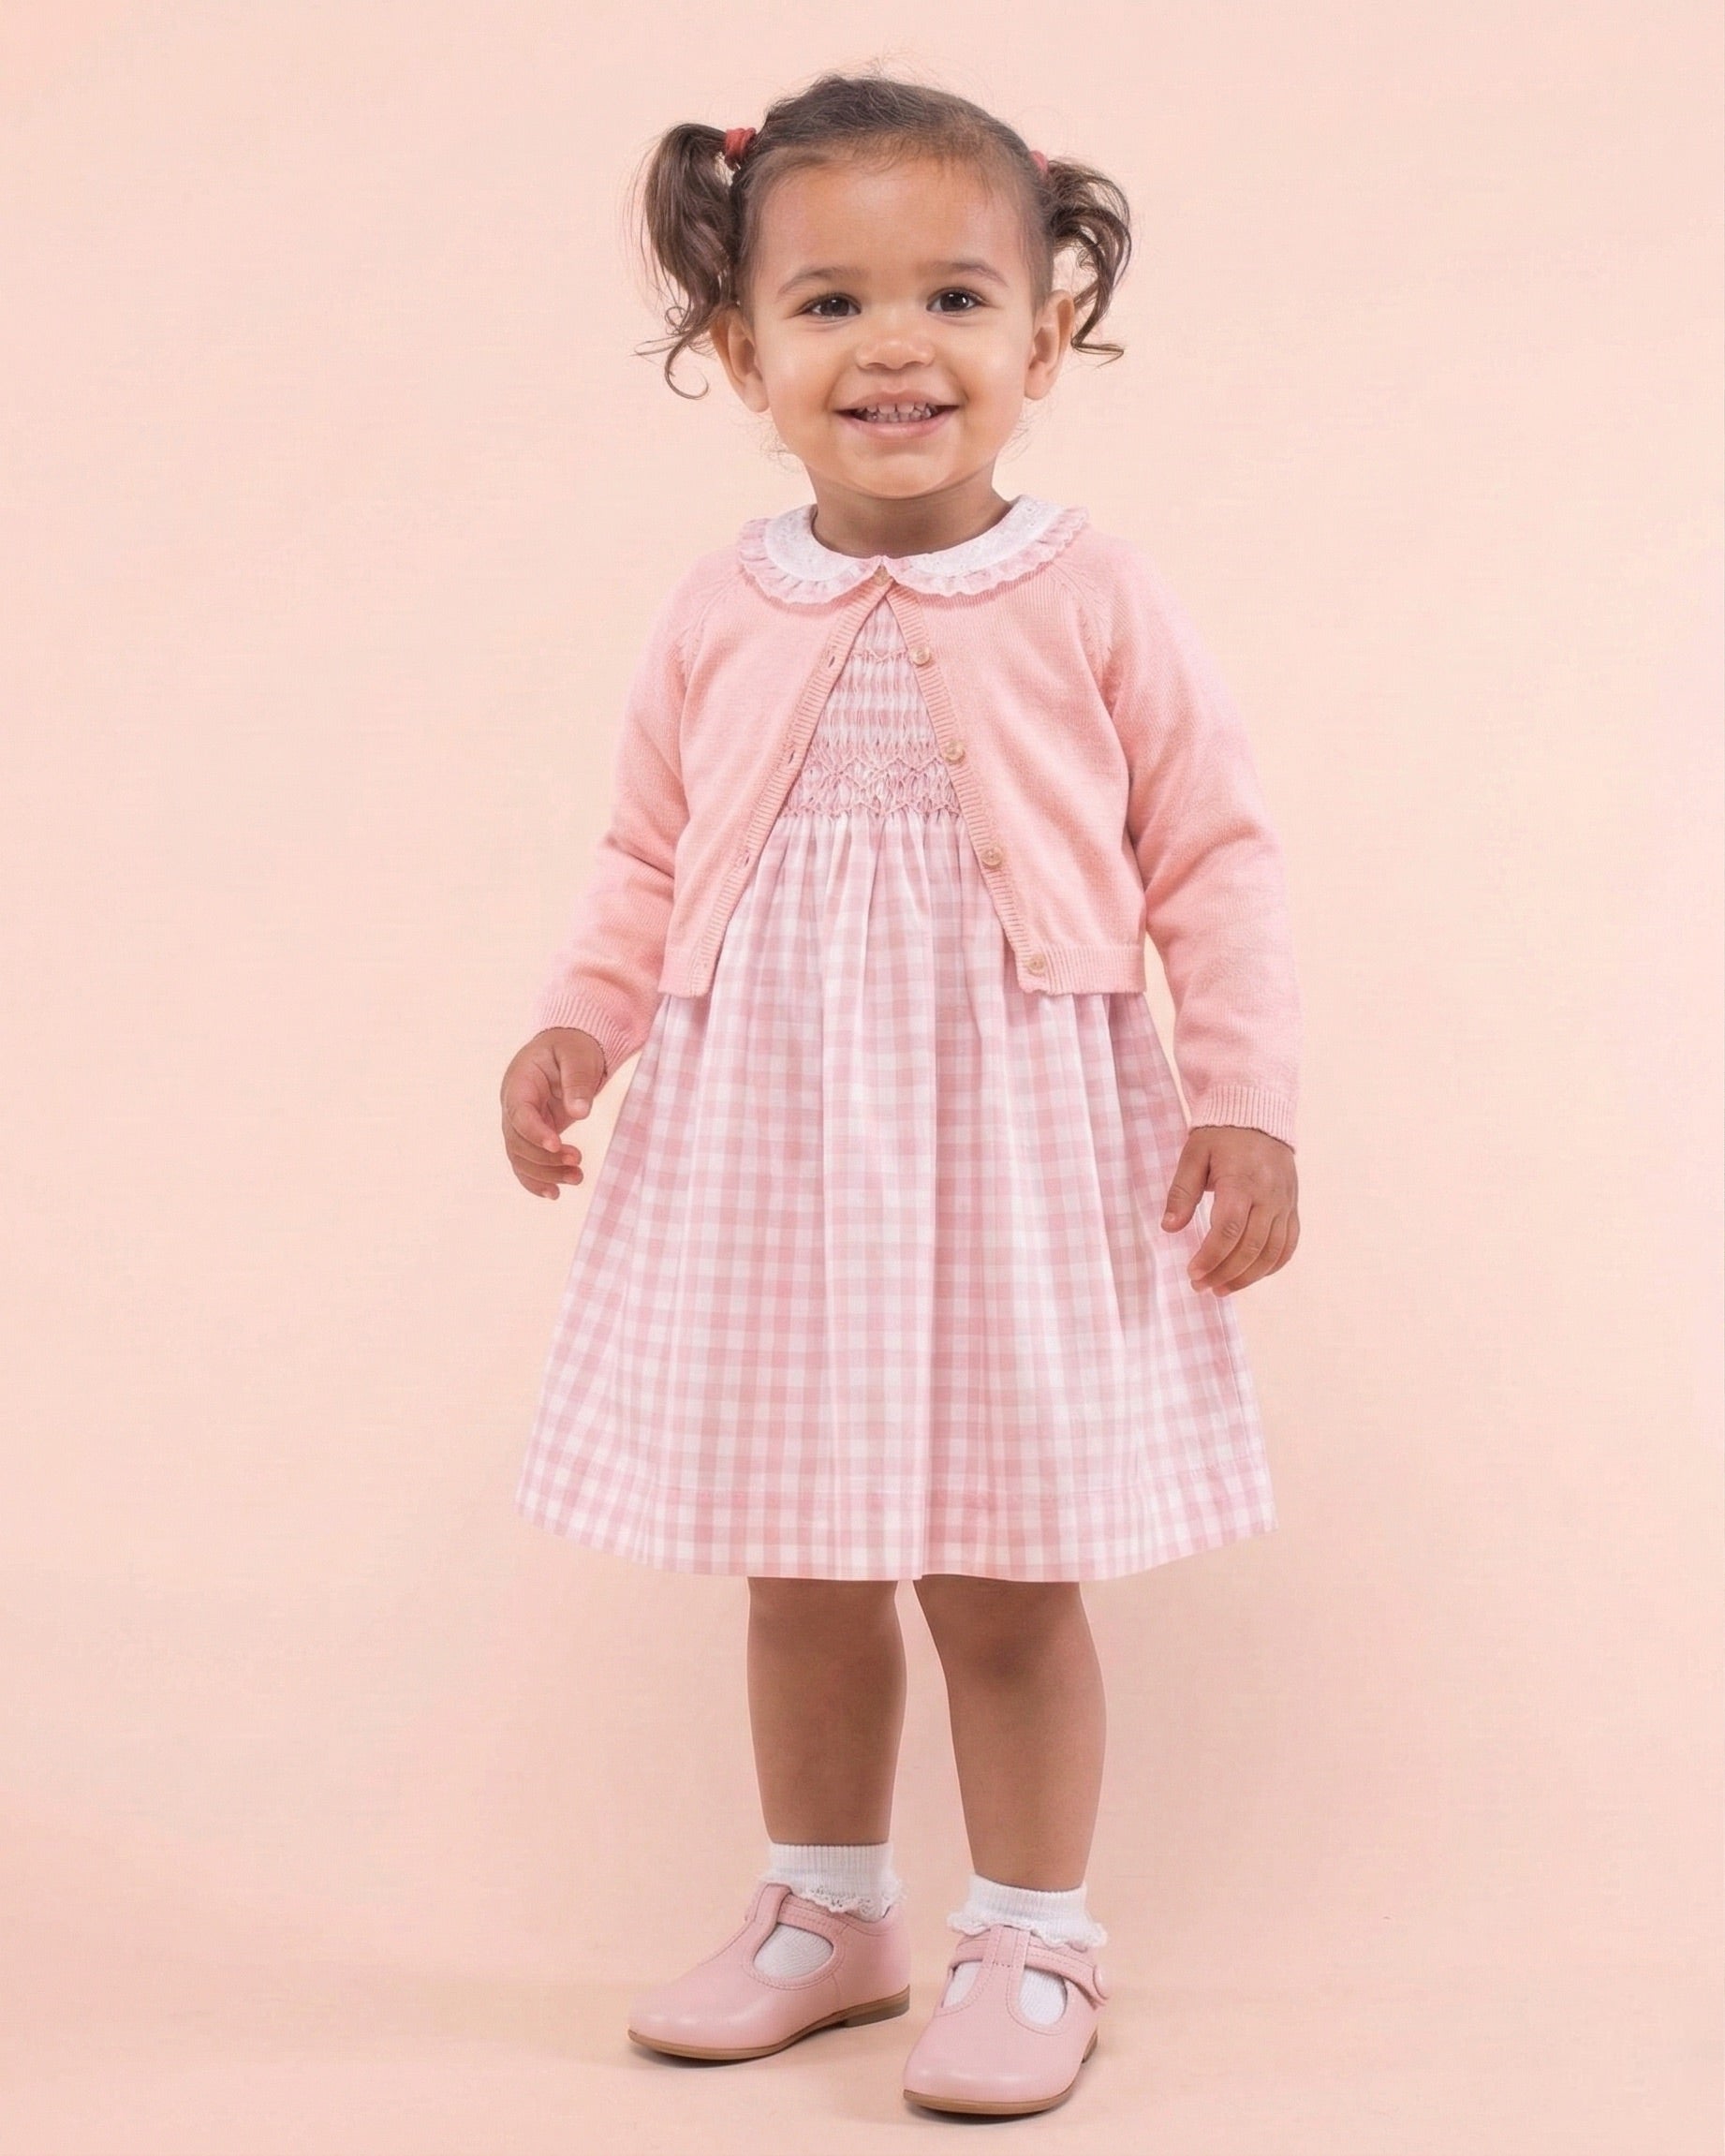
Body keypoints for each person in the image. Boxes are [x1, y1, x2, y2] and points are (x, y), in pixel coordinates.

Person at [497, 69, 1302, 2120]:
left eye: (953, 297)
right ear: (738, 352)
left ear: (1046, 341)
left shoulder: (1090, 593)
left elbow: (1211, 850)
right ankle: (829, 1906)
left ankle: (1034, 1926)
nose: (894, 348)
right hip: (775, 1137)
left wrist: (1247, 1096)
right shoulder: (719, 603)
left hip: (1017, 1140)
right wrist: (580, 1019)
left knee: (1007, 1568)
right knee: (804, 1560)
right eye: (831, 305)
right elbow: (644, 855)